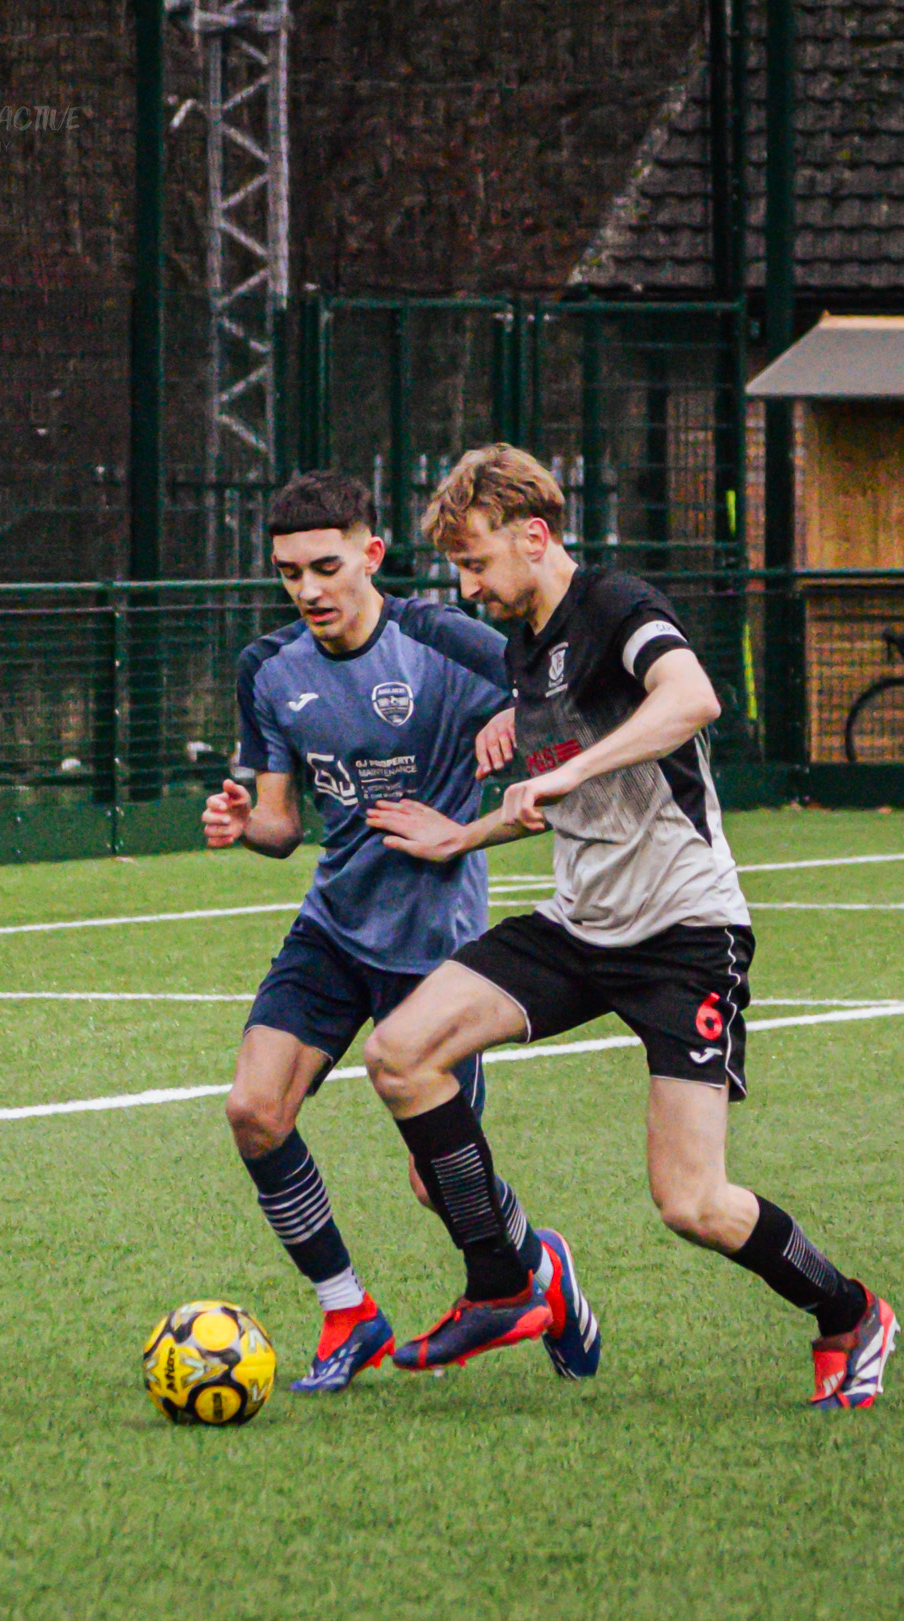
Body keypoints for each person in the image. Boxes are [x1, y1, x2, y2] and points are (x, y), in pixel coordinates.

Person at [361, 444, 897, 1406]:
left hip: (687, 933)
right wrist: (463, 836)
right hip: (581, 925)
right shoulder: (527, 638)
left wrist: (564, 766)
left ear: (534, 535)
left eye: (478, 563)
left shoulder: (617, 606)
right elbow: (554, 794)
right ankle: (506, 1280)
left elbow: (692, 699)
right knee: (401, 1053)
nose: (469, 587)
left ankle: (850, 1312)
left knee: (693, 1204)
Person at [204, 470, 599, 1391]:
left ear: (372, 555)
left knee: (438, 1185)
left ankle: (540, 1269)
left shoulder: (443, 639)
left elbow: (548, 692)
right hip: (334, 926)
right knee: (254, 1112)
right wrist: (240, 822)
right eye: (289, 573)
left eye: (326, 567)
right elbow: (281, 825)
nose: (308, 590)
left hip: (435, 946)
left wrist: (512, 714)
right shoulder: (268, 668)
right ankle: (350, 1311)